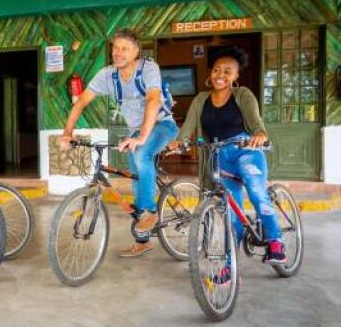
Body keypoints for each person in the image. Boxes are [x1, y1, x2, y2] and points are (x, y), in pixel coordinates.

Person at [169, 46, 286, 278]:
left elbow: (256, 123)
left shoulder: (243, 95)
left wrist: (260, 135)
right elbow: (188, 127)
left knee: (256, 192)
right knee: (231, 217)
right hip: (218, 158)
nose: (220, 75)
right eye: (216, 70)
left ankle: (275, 241)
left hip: (245, 151)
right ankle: (228, 267)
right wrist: (177, 143)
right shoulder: (201, 99)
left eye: (227, 71)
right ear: (210, 73)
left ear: (236, 76)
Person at [60, 28, 178, 257]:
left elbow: (153, 100)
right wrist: (67, 132)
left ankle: (150, 212)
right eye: (115, 47)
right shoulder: (107, 75)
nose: (118, 52)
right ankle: (143, 241)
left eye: (125, 48)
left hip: (162, 126)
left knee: (142, 155)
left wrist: (142, 137)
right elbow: (82, 101)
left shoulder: (148, 68)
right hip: (136, 131)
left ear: (135, 52)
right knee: (136, 181)